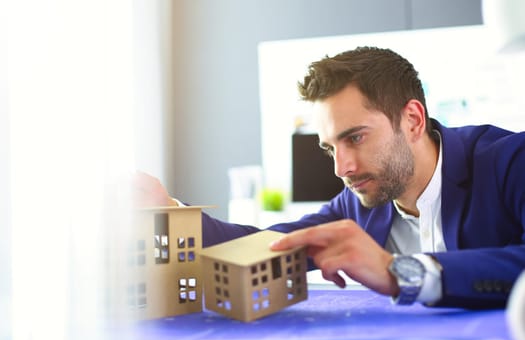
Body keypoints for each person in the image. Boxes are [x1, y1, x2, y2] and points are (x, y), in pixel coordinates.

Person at [135, 46, 525, 309]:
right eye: (330, 147)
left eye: (355, 137)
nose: (342, 168)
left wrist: (400, 272)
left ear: (413, 120)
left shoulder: (510, 161)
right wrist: (168, 212)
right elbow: (270, 245)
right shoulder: (359, 206)